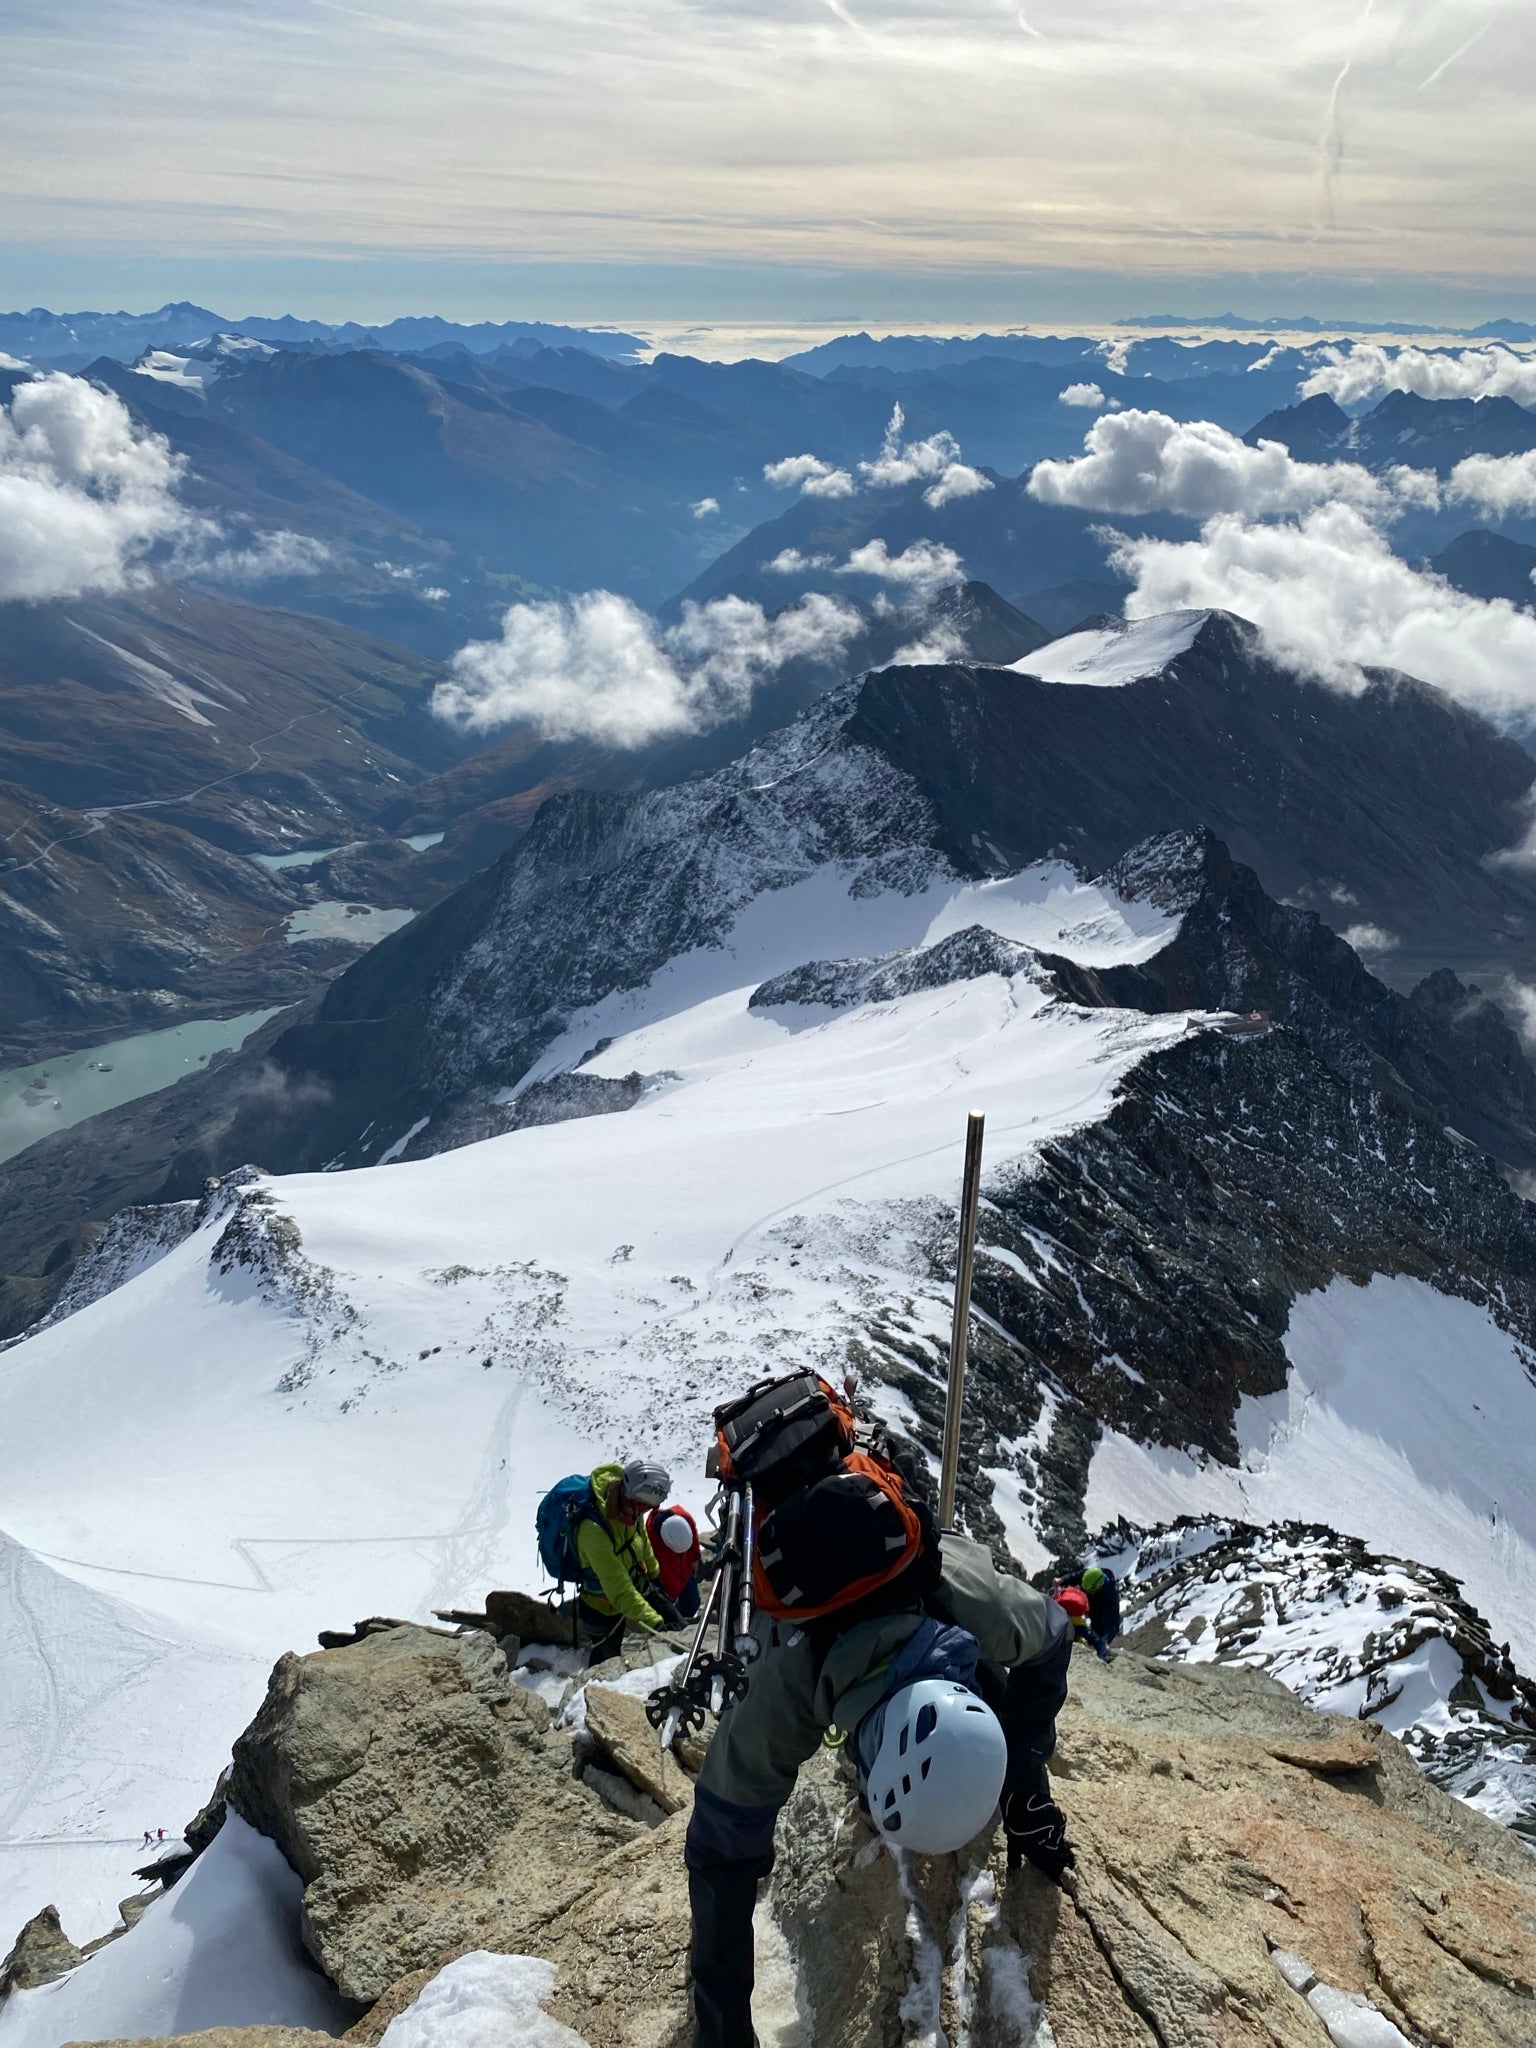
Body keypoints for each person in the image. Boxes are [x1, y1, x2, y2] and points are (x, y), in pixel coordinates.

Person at [685, 1526, 1073, 2048]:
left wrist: (1025, 1784)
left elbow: (1052, 1633)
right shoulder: (782, 1686)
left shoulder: (966, 1594)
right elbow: (718, 1850)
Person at [573, 1459, 677, 1664]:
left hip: (620, 1599)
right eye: (639, 1506)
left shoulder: (628, 1505)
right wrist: (653, 1621)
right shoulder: (592, 1530)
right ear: (626, 1495)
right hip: (600, 1607)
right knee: (606, 1655)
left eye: (646, 1508)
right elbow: (618, 1587)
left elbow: (641, 1540)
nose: (640, 1512)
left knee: (613, 1646)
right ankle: (589, 1688)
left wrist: (654, 1573)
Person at [647, 1503, 703, 1622]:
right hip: (667, 1581)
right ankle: (676, 1621)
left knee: (692, 1603)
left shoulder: (685, 1518)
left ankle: (681, 1619)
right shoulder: (650, 1541)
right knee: (668, 1613)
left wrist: (696, 1557)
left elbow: (694, 1537)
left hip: (686, 1570)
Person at [1053, 1584, 1109, 1662]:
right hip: (1077, 1623)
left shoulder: (1062, 1596)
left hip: (1062, 1624)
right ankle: (1102, 1657)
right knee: (1095, 1639)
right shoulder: (1080, 1599)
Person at [1079, 1564, 1121, 1645]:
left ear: (1098, 1588)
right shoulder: (1092, 1577)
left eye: (1090, 1591)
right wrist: (1063, 1580)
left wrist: (1104, 1641)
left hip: (1100, 1624)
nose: (1087, 1593)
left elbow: (1113, 1625)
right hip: (1094, 1616)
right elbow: (1077, 1576)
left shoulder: (1111, 1602)